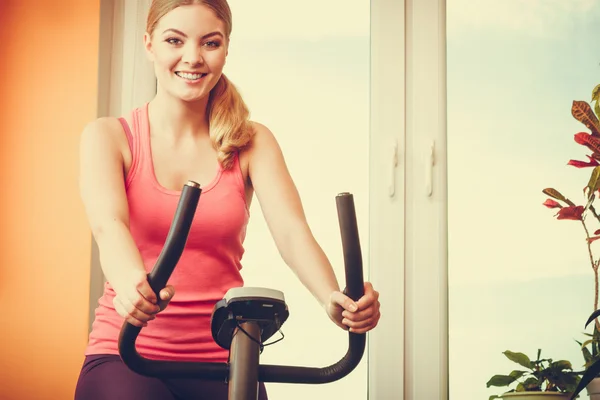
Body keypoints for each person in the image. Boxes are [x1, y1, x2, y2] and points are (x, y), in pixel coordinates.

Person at [74, 0, 381, 399]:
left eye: (210, 43)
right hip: (127, 353)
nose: (192, 58)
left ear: (226, 49)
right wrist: (132, 284)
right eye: (174, 40)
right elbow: (108, 225)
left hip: (225, 358)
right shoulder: (108, 137)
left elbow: (291, 232)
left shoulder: (251, 142)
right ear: (149, 44)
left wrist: (333, 297)